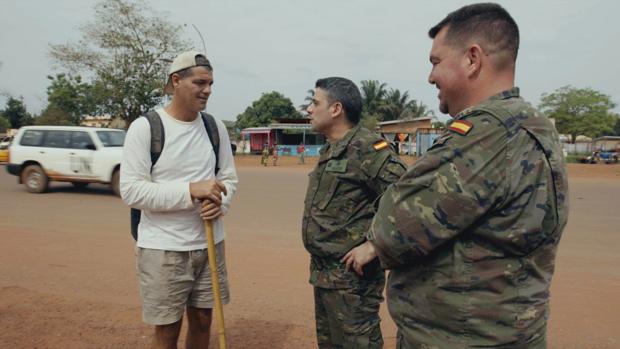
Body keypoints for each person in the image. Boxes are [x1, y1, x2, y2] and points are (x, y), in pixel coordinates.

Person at [343, 3, 569, 348]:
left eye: (435, 62)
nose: (430, 77)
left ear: (472, 59)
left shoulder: (486, 132)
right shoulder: (533, 122)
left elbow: (394, 226)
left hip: (459, 336)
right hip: (506, 330)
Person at [120, 51, 238, 349]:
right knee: (167, 331)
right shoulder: (145, 128)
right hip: (163, 249)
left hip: (210, 243)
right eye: (200, 82)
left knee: (202, 322)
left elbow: (228, 179)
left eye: (211, 83)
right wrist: (190, 191)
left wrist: (219, 203)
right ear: (176, 81)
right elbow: (132, 191)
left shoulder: (215, 128)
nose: (207, 90)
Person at [302, 77, 407, 348]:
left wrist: (375, 245)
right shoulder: (332, 148)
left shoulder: (368, 149)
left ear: (336, 109)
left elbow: (406, 198)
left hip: (353, 281)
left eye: (315, 102)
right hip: (325, 275)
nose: (309, 109)